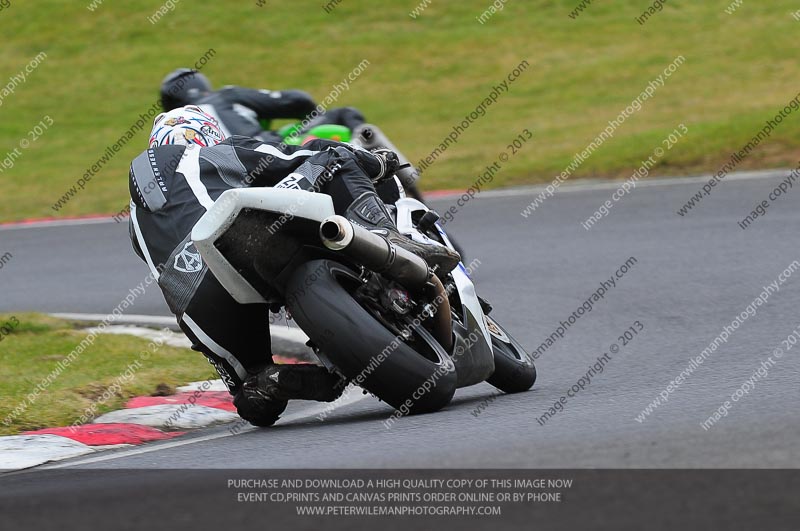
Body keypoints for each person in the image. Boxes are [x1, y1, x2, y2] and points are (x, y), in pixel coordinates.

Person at [128, 106, 460, 427]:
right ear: (204, 134)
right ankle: (389, 238)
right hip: (240, 234)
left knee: (254, 399)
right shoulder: (207, 153)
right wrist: (375, 162)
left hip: (194, 298)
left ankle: (279, 380)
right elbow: (293, 157)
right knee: (333, 157)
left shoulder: (135, 222)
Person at [159, 68, 365, 143]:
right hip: (270, 151)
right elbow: (297, 100)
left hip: (220, 189)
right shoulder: (223, 96)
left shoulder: (167, 132)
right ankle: (386, 173)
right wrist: (315, 116)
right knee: (345, 114)